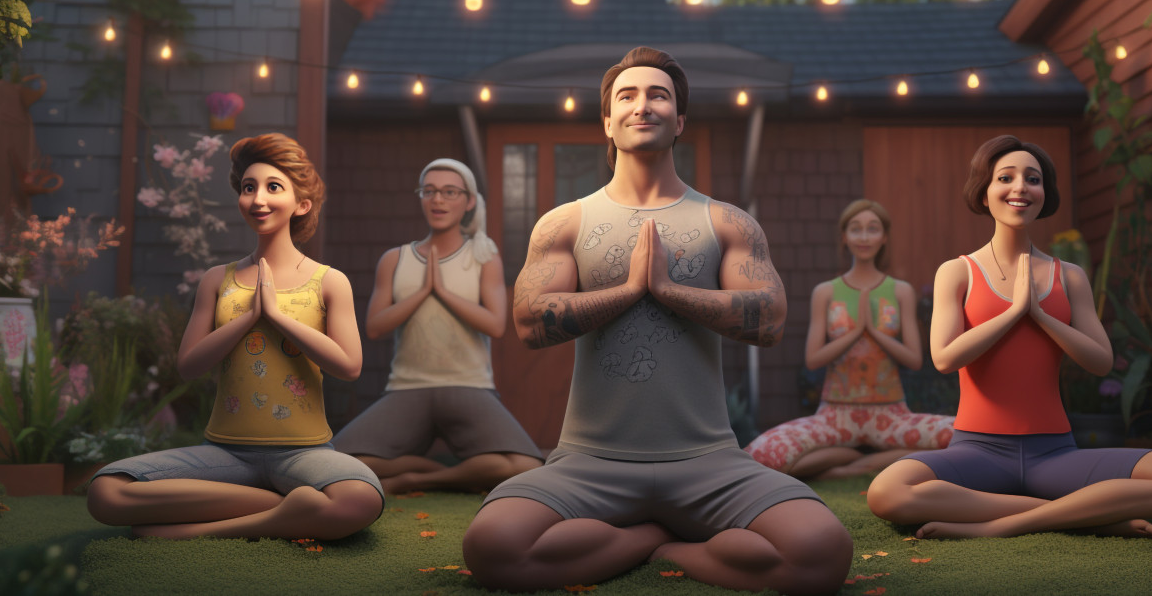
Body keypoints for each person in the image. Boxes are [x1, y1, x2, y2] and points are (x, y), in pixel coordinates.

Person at [461, 47, 853, 595]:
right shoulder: (563, 222)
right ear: (607, 121)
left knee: (822, 553)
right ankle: (651, 536)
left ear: (680, 120)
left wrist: (670, 291)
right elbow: (529, 323)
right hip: (588, 462)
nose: (642, 105)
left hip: (709, 463)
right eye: (627, 95)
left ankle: (670, 546)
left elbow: (769, 320)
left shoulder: (728, 221)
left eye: (658, 95)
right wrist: (628, 291)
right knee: (492, 547)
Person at [866, 135, 1152, 539]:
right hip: (977, 453)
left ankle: (1000, 526)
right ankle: (1093, 516)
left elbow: (1101, 361)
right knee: (887, 493)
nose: (1020, 188)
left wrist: (1041, 316)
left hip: (1056, 455)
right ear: (984, 192)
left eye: (1033, 179)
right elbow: (944, 358)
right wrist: (1013, 313)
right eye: (1005, 178)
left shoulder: (1070, 276)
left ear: (1044, 194)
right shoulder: (957, 272)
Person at [87, 133, 384, 540]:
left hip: (304, 454)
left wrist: (276, 316)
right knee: (106, 491)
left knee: (360, 498)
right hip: (224, 454)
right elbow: (188, 366)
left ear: (301, 203)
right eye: (248, 188)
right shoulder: (217, 280)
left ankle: (194, 533)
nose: (258, 199)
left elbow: (349, 366)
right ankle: (287, 507)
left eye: (273, 187)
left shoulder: (329, 281)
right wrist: (249, 318)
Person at [332, 158, 542, 493]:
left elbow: (495, 325)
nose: (438, 200)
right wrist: (422, 292)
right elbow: (374, 327)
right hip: (406, 388)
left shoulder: (484, 257)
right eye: (429, 191)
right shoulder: (395, 259)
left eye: (449, 192)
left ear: (469, 201)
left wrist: (442, 292)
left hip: (468, 386)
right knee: (334, 463)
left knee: (527, 466)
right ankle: (431, 467)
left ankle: (421, 478)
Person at [746, 199, 953, 479]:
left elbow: (915, 360)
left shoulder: (901, 291)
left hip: (891, 415)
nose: (864, 237)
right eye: (856, 229)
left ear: (884, 237)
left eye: (873, 229)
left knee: (962, 436)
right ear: (844, 237)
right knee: (762, 454)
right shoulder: (826, 292)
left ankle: (855, 465)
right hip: (834, 415)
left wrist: (874, 333)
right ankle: (859, 458)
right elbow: (813, 359)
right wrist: (856, 332)